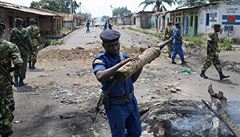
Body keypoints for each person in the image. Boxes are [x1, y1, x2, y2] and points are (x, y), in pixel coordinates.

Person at [92, 29, 142, 137]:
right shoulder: (101, 60)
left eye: (117, 44)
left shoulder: (124, 56)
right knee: (118, 134)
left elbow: (132, 80)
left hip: (131, 101)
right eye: (111, 46)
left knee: (136, 132)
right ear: (104, 45)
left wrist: (139, 66)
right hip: (115, 105)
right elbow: (100, 76)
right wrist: (122, 64)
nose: (115, 48)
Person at [0, 19, 23, 137]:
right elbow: (19, 63)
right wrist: (9, 71)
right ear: (3, 32)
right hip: (4, 81)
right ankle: (5, 128)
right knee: (6, 104)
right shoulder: (10, 46)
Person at [10, 18, 32, 86]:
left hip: (15, 50)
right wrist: (30, 48)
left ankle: (16, 81)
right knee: (23, 65)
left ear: (16, 23)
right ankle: (21, 81)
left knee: (16, 64)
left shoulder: (13, 30)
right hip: (23, 50)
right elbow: (29, 41)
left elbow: (11, 41)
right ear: (21, 23)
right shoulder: (25, 30)